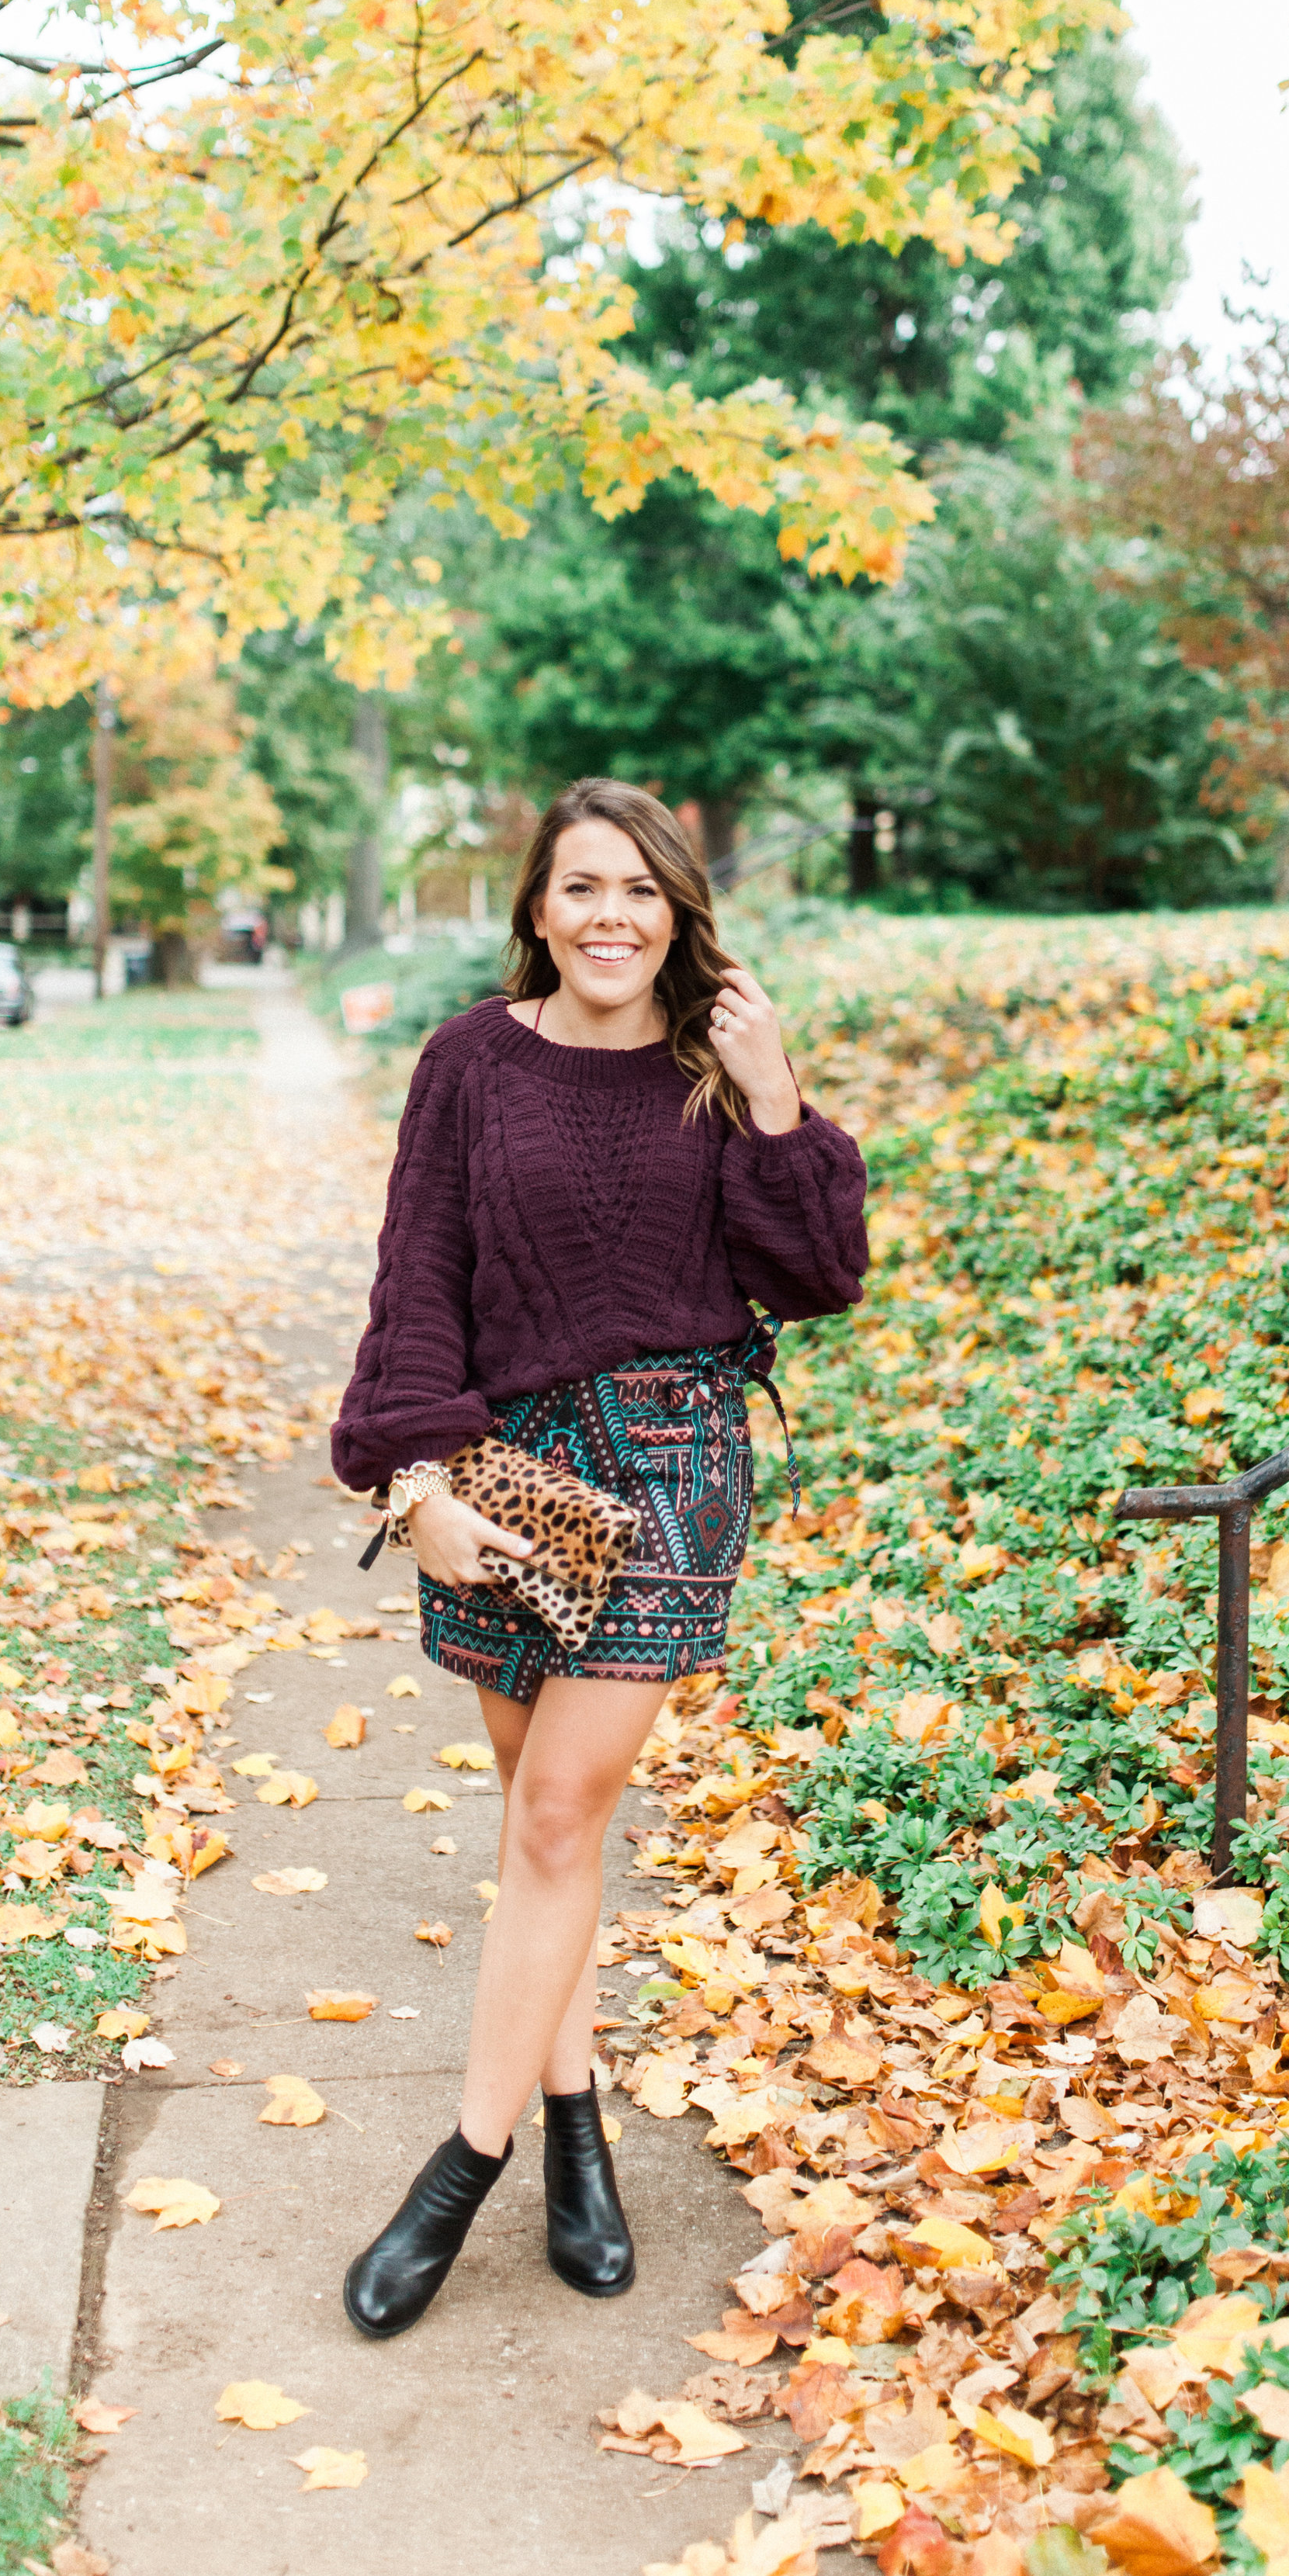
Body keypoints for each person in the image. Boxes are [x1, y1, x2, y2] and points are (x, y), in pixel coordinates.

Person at [330, 777, 868, 2339]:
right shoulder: (469, 1065)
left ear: (677, 912)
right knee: (533, 1827)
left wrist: (776, 1097)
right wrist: (414, 1479)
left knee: (562, 1810)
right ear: (536, 910)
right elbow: (413, 1280)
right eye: (578, 888)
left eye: (638, 889)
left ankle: (460, 2166)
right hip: (502, 1468)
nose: (609, 916)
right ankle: (578, 2128)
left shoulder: (720, 1069)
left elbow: (818, 1272)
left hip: (676, 1458)